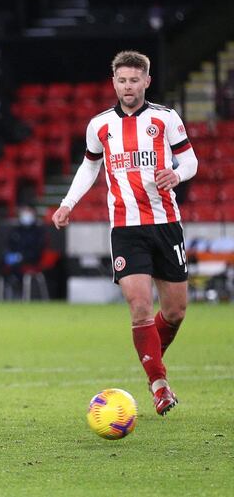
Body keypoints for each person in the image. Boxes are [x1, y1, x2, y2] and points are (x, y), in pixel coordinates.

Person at [52, 51, 198, 416]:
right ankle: (158, 383)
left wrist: (177, 175)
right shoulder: (100, 125)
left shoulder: (165, 119)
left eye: (135, 80)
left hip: (166, 224)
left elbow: (191, 160)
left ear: (146, 81)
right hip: (125, 228)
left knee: (176, 311)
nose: (128, 86)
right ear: (113, 82)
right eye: (122, 80)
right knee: (139, 306)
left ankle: (150, 358)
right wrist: (68, 203)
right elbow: (89, 168)